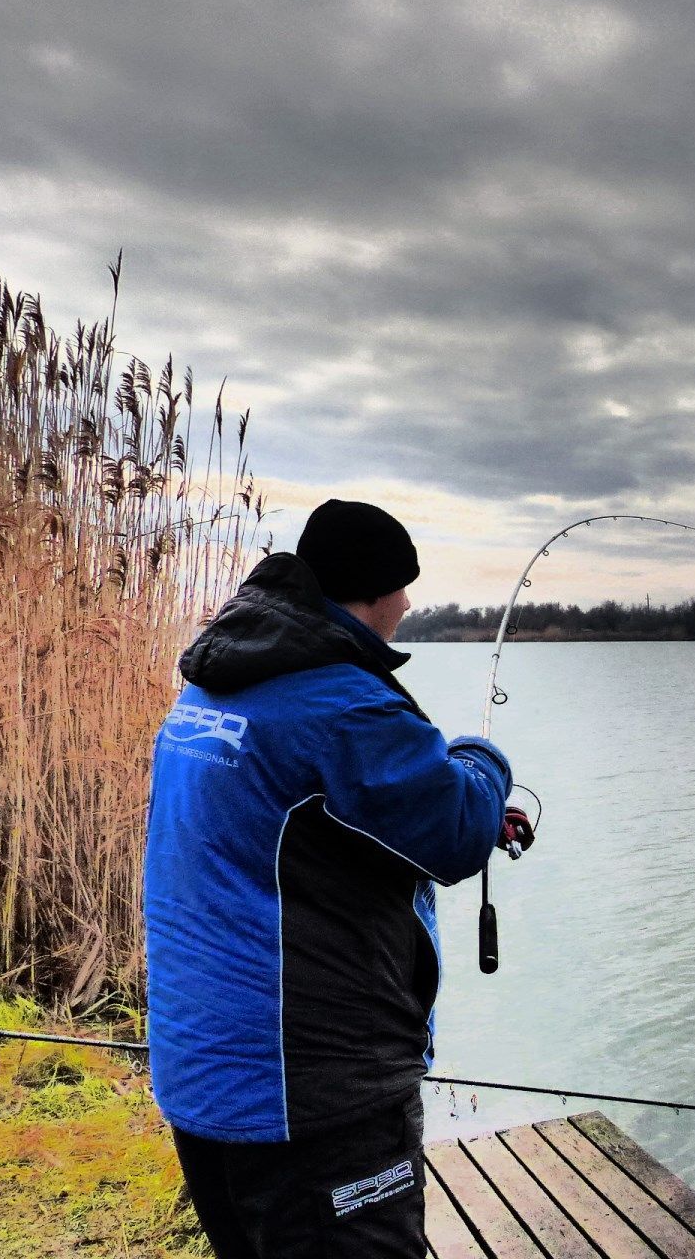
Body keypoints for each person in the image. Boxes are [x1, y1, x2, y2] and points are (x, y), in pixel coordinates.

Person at [144, 498, 535, 1258]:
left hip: (204, 1077)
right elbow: (455, 830)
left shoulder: (212, 686)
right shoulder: (341, 703)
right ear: (375, 593)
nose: (409, 607)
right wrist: (481, 760)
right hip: (316, 1098)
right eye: (403, 591)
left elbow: (304, 833)